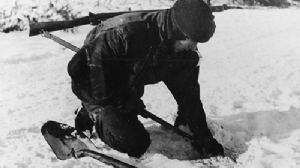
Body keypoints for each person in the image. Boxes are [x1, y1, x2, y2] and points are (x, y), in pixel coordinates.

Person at [68, 0, 224, 158]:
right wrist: (118, 100)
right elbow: (78, 73)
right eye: (193, 41)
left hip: (131, 78)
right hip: (95, 81)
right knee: (134, 142)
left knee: (185, 116)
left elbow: (190, 97)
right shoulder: (127, 34)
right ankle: (91, 112)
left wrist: (204, 137)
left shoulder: (183, 53)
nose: (193, 46)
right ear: (179, 32)